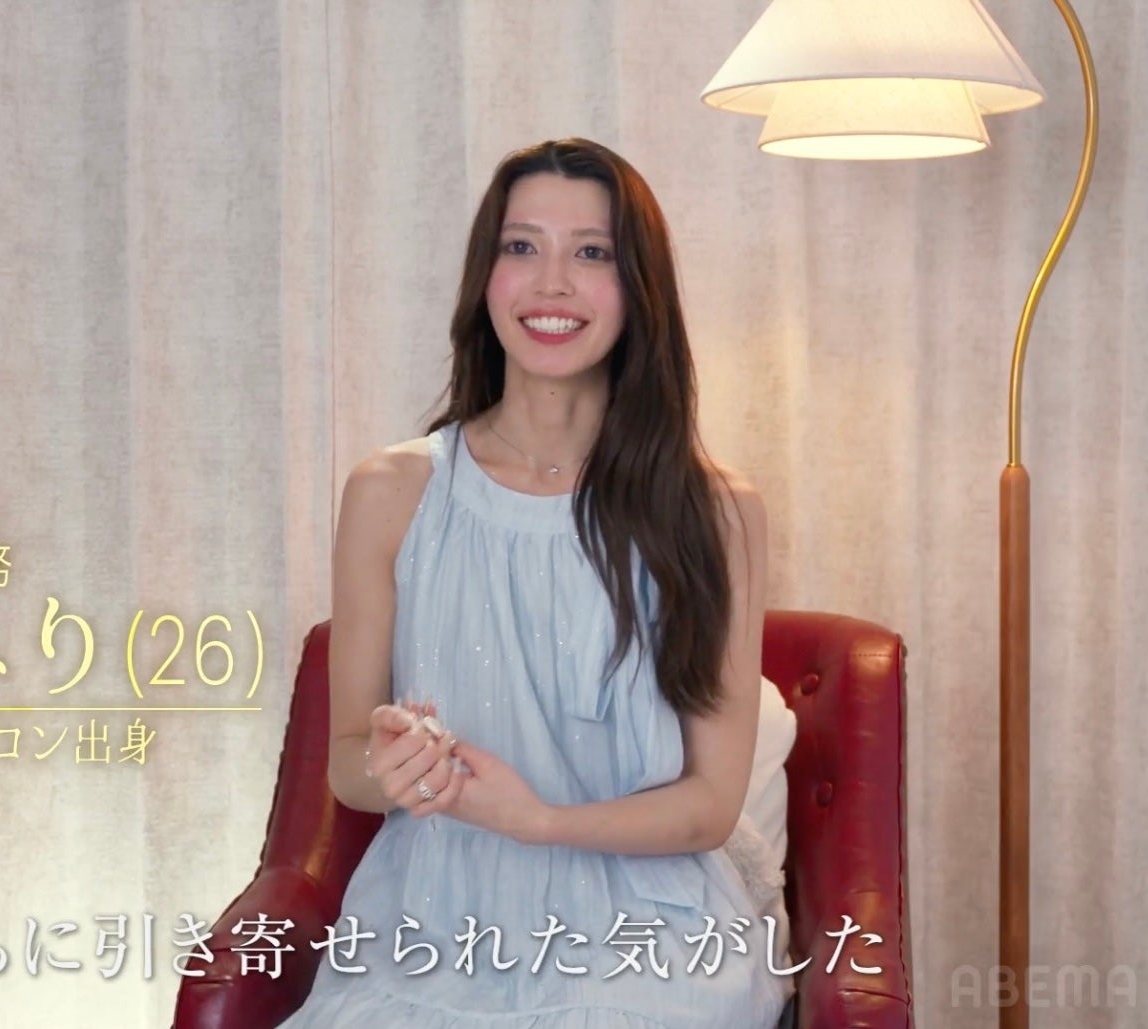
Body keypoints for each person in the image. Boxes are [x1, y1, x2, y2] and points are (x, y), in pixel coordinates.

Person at [277, 139, 793, 1028]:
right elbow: (350, 767)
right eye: (521, 247)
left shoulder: (713, 511)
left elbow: (709, 806)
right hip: (435, 918)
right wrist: (394, 766)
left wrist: (538, 820)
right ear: (485, 277)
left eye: (591, 253)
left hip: (648, 931)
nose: (551, 283)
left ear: (639, 288)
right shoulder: (391, 490)